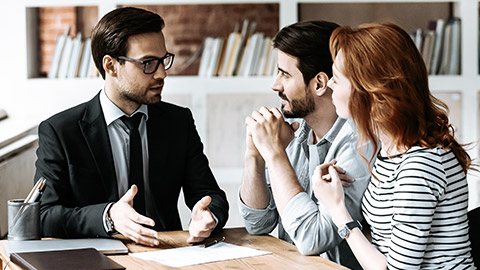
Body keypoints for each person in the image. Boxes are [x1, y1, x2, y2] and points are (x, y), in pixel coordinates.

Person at [34, 7, 229, 246]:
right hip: (97, 257)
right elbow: (44, 215)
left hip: (170, 253)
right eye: (148, 63)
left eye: (163, 60)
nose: (161, 74)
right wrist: (108, 216)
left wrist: (208, 216)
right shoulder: (60, 131)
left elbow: (211, 195)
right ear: (111, 65)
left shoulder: (179, 122)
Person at [313, 22, 476, 269]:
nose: (330, 84)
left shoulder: (421, 164)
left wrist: (336, 209)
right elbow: (383, 246)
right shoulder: (390, 152)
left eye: (337, 77)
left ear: (370, 90)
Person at [239, 21, 372, 268]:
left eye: (285, 74)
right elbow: (258, 224)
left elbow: (313, 239)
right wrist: (255, 156)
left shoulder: (359, 145)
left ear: (320, 83)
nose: (275, 84)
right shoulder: (297, 135)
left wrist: (275, 155)